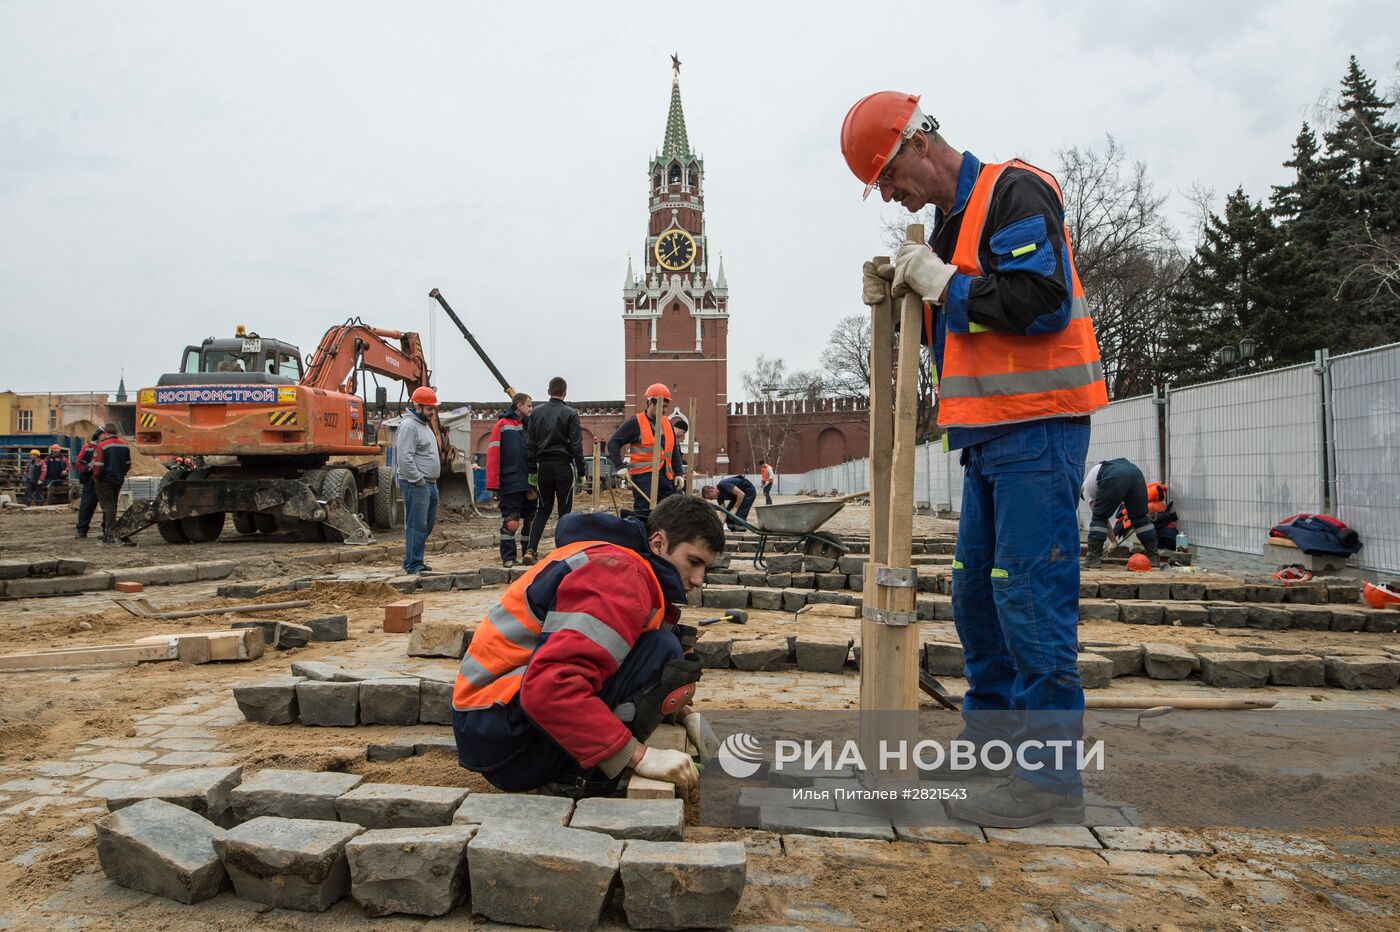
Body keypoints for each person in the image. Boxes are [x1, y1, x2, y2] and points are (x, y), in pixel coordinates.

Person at [844, 91, 1108, 827]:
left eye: (889, 177)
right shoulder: (949, 228)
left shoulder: (1013, 191)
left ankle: (1050, 783)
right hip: (985, 438)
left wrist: (939, 283)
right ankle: (990, 748)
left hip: (1038, 427)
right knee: (978, 600)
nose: (891, 194)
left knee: (1028, 598)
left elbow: (1040, 302)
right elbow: (961, 332)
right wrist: (904, 300)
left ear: (919, 145)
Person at [451, 494, 724, 797]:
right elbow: (550, 687)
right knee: (661, 652)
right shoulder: (619, 572)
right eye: (694, 562)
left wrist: (685, 715)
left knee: (661, 647)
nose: (699, 579)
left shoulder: (617, 558)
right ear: (658, 542)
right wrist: (639, 756)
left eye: (706, 568)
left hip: (493, 725)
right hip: (508, 742)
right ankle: (585, 773)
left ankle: (591, 754)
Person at [525, 377, 587, 562]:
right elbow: (577, 445)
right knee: (565, 511)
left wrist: (532, 471)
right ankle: (563, 552)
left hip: (543, 467)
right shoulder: (570, 414)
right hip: (563, 466)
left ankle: (530, 550)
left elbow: (530, 444)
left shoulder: (536, 413)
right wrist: (582, 471)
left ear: (548, 391)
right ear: (565, 392)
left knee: (542, 509)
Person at [607, 383, 683, 515]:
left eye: (666, 407)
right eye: (661, 407)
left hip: (667, 478)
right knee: (645, 514)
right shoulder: (636, 423)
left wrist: (679, 473)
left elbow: (674, 451)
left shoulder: (667, 423)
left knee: (669, 515)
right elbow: (613, 443)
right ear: (650, 404)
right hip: (644, 478)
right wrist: (620, 466)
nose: (664, 410)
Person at [1081, 460, 1161, 567]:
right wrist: (1114, 541)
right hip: (1135, 473)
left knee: (1099, 518)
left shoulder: (1085, 491)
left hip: (1115, 475)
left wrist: (1113, 542)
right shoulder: (1093, 477)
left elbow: (1101, 519)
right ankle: (1153, 557)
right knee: (1140, 518)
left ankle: (1092, 558)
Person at [396, 386, 441, 575]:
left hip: (429, 482)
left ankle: (414, 560)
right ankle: (413, 564)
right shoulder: (409, 426)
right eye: (429, 409)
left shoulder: (423, 425)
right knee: (416, 523)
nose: (432, 412)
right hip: (416, 483)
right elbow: (405, 457)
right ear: (418, 406)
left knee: (426, 524)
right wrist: (418, 479)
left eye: (433, 409)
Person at [488, 393, 536, 567]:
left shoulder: (531, 426)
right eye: (528, 405)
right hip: (510, 483)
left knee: (531, 521)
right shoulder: (501, 426)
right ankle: (508, 558)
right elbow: (493, 457)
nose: (531, 409)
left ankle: (529, 554)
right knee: (512, 521)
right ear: (518, 405)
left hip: (530, 483)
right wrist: (493, 484)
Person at [90, 424, 132, 543]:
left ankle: (110, 533)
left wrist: (96, 477)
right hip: (118, 479)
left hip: (104, 480)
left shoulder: (101, 446)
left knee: (108, 507)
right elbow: (128, 464)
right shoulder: (124, 445)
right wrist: (121, 473)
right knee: (112, 505)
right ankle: (109, 531)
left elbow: (97, 466)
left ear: (106, 433)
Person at [74, 429, 104, 538]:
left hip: (103, 480)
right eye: (102, 434)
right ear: (97, 435)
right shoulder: (88, 447)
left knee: (107, 507)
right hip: (89, 480)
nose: (104, 436)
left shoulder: (107, 447)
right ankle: (82, 530)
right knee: (86, 506)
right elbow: (79, 462)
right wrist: (88, 469)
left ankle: (106, 530)